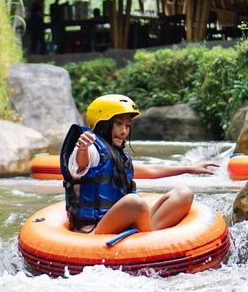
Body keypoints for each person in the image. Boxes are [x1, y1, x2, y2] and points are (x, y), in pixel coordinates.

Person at [60, 94, 217, 234]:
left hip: (124, 224)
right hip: (96, 229)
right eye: (118, 124)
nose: (124, 131)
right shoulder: (91, 148)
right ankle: (149, 243)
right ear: (103, 123)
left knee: (183, 194)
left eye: (127, 125)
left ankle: (147, 239)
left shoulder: (118, 155)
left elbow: (150, 170)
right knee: (134, 202)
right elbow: (81, 164)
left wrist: (189, 168)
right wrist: (82, 148)